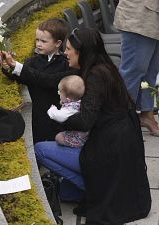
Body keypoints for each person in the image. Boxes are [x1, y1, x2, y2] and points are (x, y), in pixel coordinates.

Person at [33, 28, 151, 224]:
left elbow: (85, 121)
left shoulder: (95, 76)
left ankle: (95, 188)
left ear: (82, 52)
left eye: (69, 49)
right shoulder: (104, 67)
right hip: (120, 145)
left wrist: (58, 119)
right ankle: (90, 187)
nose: (65, 53)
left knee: (40, 149)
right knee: (65, 193)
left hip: (107, 149)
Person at [0, 18, 78, 144]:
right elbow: (22, 77)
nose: (38, 44)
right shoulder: (32, 61)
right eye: (37, 40)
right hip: (38, 115)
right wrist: (8, 68)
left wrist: (17, 66)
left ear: (57, 43)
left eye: (43, 41)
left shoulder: (66, 64)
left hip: (58, 116)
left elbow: (45, 79)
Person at [114, 0, 159, 136]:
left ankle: (147, 113)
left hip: (153, 17)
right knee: (132, 72)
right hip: (139, 16)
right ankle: (120, 120)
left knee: (151, 71)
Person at [47, 75, 88, 148]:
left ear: (68, 98)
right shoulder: (78, 102)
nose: (59, 94)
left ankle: (74, 146)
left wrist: (52, 110)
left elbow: (59, 117)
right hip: (82, 132)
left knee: (58, 137)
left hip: (80, 138)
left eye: (60, 93)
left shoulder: (70, 109)